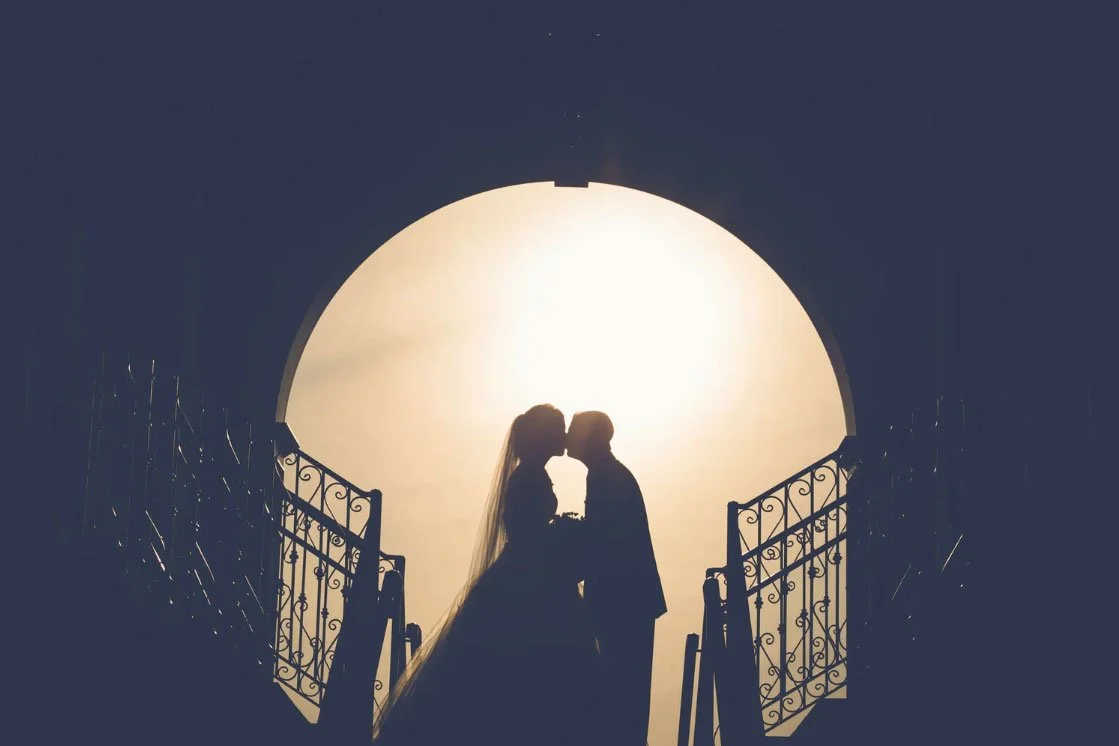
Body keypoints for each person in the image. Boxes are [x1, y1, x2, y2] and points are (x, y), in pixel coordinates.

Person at [373, 404, 607, 746]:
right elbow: (528, 531)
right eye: (558, 430)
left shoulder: (530, 474)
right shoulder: (530, 477)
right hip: (532, 584)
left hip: (527, 575)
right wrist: (563, 533)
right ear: (544, 437)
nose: (564, 437)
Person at [567, 410, 667, 746]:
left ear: (588, 438)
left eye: (573, 430)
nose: (567, 437)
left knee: (621, 697)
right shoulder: (607, 472)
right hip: (629, 600)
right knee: (624, 699)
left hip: (623, 603)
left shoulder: (605, 475)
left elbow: (605, 541)